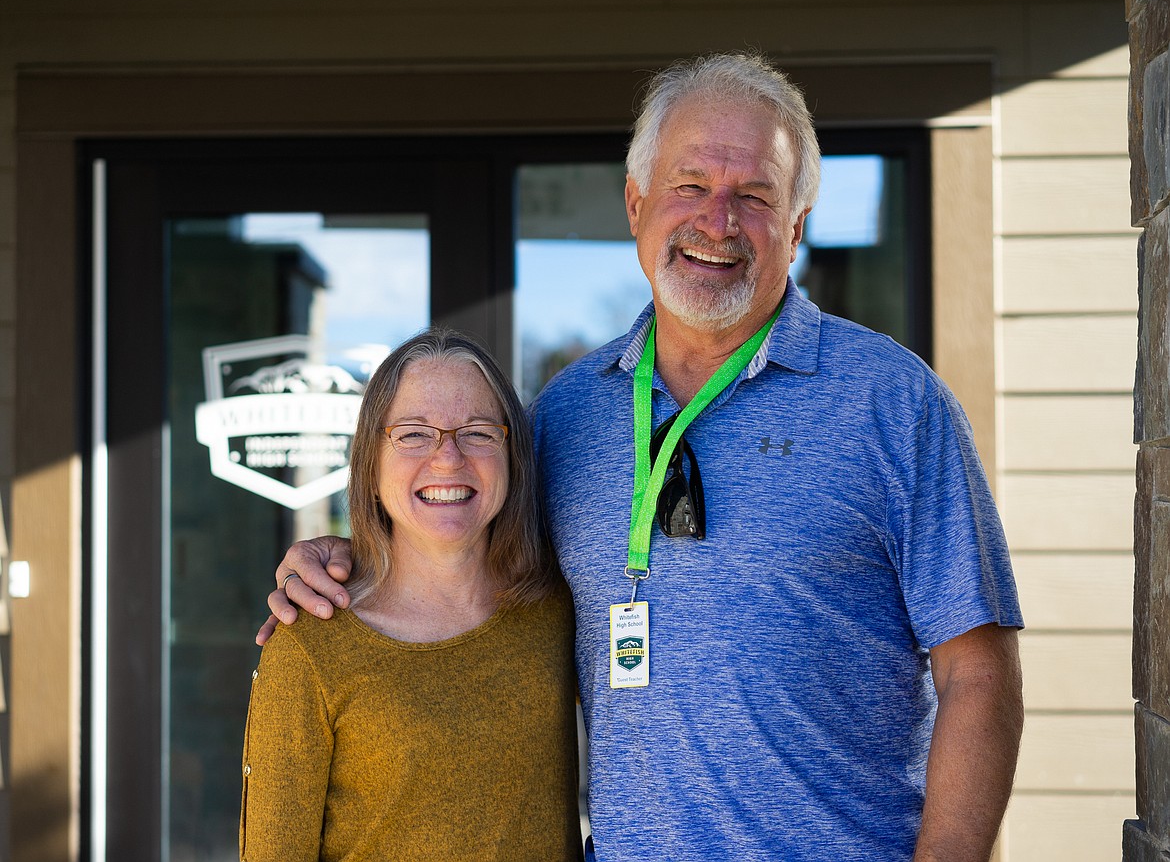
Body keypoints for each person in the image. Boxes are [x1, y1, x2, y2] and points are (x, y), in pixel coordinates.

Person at [262, 52, 1024, 862]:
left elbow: (981, 674)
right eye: (689, 186)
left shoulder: (894, 403)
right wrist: (347, 555)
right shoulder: (566, 413)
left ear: (797, 226)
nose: (718, 220)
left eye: (756, 196)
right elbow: (459, 541)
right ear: (636, 204)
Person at [241, 328, 582, 862]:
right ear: (371, 464)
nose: (448, 459)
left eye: (476, 432)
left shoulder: (558, 611)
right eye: (414, 434)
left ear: (512, 456)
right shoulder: (310, 645)